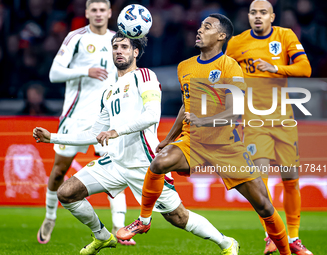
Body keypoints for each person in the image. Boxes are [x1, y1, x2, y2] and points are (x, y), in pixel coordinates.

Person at [33, 30, 240, 255]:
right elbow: (95, 134)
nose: (119, 51)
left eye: (124, 47)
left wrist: (115, 131)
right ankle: (102, 236)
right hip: (115, 163)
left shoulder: (145, 76)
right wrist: (52, 137)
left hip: (145, 165)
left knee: (178, 217)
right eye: (115, 47)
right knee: (67, 193)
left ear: (135, 51)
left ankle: (226, 243)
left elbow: (152, 115)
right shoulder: (109, 91)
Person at [118, 13, 292, 255]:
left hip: (226, 145)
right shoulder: (185, 66)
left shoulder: (229, 66)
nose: (199, 30)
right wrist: (168, 138)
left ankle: (286, 250)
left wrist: (205, 119)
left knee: (263, 205)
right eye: (199, 27)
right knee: (160, 163)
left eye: (207, 27)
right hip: (194, 141)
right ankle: (144, 220)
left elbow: (236, 110)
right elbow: (185, 106)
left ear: (221, 36)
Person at [37, 0, 135, 246]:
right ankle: (50, 216)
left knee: (115, 169)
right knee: (60, 170)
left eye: (103, 9)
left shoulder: (117, 40)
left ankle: (118, 226)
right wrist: (85, 71)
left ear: (110, 13)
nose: (99, 14)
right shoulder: (76, 37)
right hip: (75, 116)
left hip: (106, 119)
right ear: (87, 12)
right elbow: (54, 74)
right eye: (94, 9)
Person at [225, 1, 312, 254]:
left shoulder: (285, 36)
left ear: (272, 16)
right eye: (253, 13)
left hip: (284, 120)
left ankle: (293, 238)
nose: (258, 17)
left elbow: (305, 69)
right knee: (260, 181)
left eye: (263, 12)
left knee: (290, 180)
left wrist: (276, 68)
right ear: (248, 16)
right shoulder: (238, 43)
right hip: (254, 122)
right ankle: (271, 235)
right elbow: (220, 69)